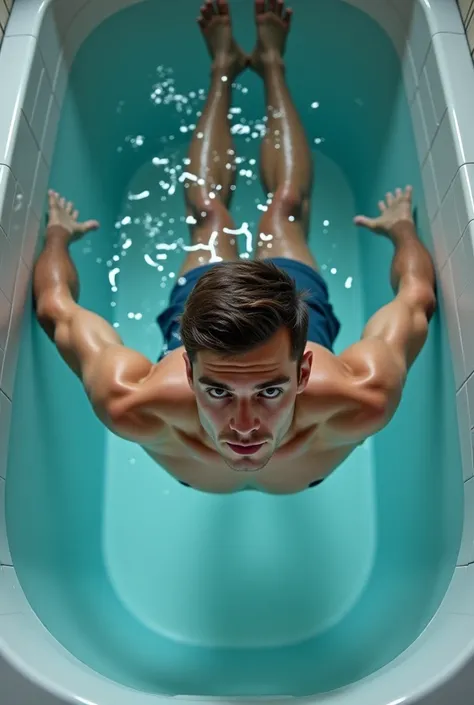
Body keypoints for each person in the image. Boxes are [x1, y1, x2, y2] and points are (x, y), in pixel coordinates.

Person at [33, 0, 436, 494]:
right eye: (218, 390)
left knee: (285, 206)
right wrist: (57, 234)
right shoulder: (134, 405)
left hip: (272, 303)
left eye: (270, 390)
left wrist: (403, 231)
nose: (244, 427)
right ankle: (222, 69)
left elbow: (417, 298)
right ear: (187, 367)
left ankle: (272, 65)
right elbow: (56, 311)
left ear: (304, 368)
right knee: (209, 213)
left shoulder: (361, 398)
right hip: (209, 306)